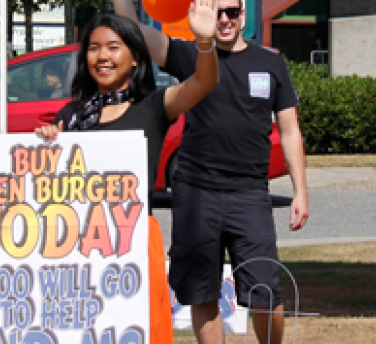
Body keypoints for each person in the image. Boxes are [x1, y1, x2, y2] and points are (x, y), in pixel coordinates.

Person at [112, 1, 310, 344]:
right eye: (216, 11)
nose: (224, 20)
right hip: (195, 192)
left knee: (265, 291)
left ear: (244, 14)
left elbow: (290, 131)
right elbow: (133, 32)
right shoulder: (190, 55)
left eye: (232, 11)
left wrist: (301, 192)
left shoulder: (270, 62)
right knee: (200, 291)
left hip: (249, 193)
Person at [33, 1, 221, 342]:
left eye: (113, 47)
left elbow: (205, 82)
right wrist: (47, 140)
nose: (102, 56)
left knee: (137, 327)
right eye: (93, 48)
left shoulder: (154, 107)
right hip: (77, 242)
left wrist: (205, 42)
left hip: (133, 238)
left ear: (135, 57)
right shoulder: (73, 114)